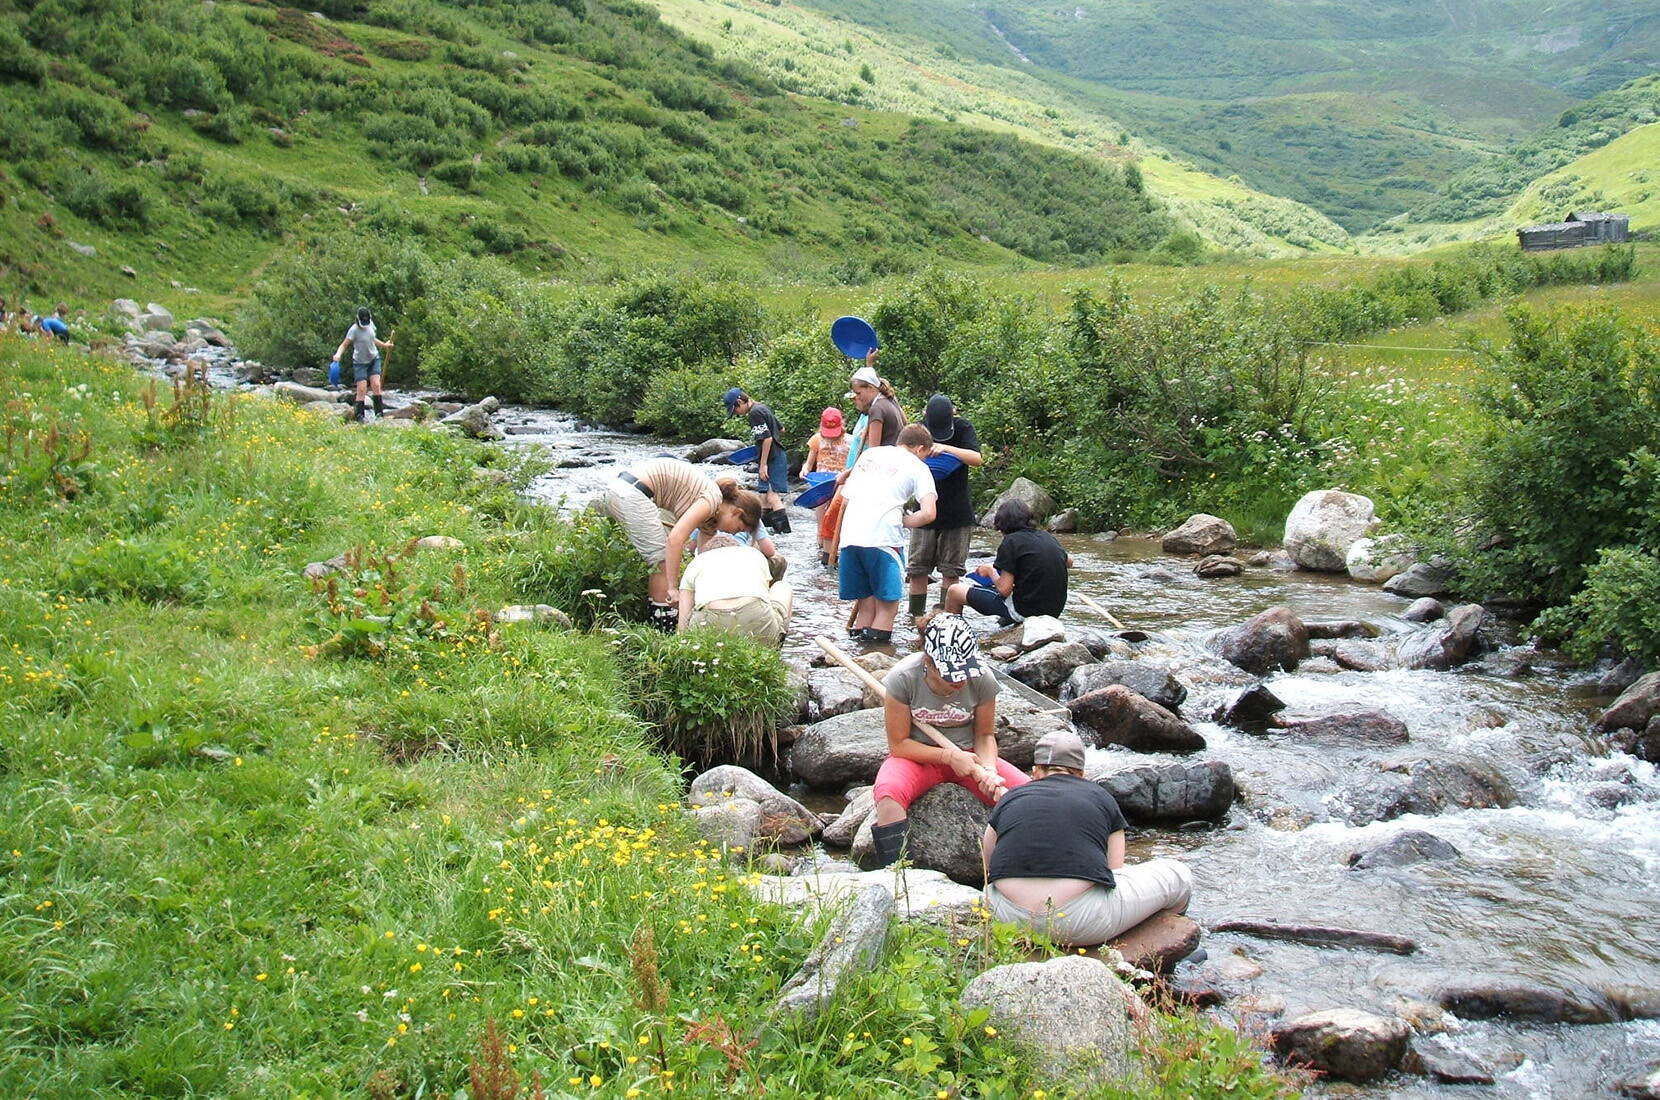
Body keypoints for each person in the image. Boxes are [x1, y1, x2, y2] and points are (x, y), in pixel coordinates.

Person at [982, 729, 1192, 947]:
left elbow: (988, 867)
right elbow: (1114, 872)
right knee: (1179, 875)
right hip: (1082, 923)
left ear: (1035, 772)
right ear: (1082, 774)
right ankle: (1170, 941)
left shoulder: (1011, 798)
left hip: (1005, 919)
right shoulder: (1101, 796)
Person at [867, 612, 1030, 867]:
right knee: (888, 795)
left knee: (1029, 797)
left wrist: (987, 770)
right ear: (929, 662)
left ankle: (1026, 869)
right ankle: (897, 874)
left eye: (964, 672)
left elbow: (985, 734)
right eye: (952, 674)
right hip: (918, 757)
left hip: (971, 756)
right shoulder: (903, 678)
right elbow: (898, 745)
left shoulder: (982, 678)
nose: (960, 680)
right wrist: (948, 757)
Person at [598, 459, 756, 629]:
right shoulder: (713, 498)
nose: (733, 533)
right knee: (661, 561)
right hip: (632, 493)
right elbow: (675, 540)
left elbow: (704, 560)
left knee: (662, 560)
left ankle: (658, 618)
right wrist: (673, 588)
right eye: (739, 528)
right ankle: (662, 627)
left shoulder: (710, 520)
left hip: (623, 488)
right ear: (737, 513)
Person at [833, 423, 938, 645]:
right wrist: (903, 521)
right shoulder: (918, 467)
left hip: (850, 537)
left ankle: (858, 656)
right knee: (887, 606)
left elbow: (846, 497)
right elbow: (929, 513)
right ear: (920, 448)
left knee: (866, 604)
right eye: (926, 455)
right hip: (883, 539)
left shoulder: (870, 454)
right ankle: (876, 658)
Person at [906, 394, 983, 617]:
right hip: (924, 510)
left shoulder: (962, 428)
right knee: (917, 569)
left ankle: (947, 617)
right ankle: (915, 616)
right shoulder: (918, 430)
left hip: (957, 512)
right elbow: (903, 458)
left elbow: (976, 458)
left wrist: (945, 448)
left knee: (951, 570)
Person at [945, 499, 1071, 625]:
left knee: (955, 591)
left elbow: (1004, 590)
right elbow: (1069, 562)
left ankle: (950, 634)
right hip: (1054, 611)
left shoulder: (1010, 542)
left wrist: (990, 570)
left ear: (1002, 524)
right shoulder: (1047, 536)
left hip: (1026, 611)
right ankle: (1005, 625)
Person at [677, 533, 793, 644]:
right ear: (736, 546)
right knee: (782, 586)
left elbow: (683, 622)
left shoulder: (696, 562)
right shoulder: (753, 554)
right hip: (755, 617)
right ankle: (773, 646)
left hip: (708, 622)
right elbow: (765, 596)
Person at [723, 387, 791, 534]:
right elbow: (781, 430)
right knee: (763, 496)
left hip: (773, 458)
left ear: (740, 402)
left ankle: (786, 534)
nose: (736, 414)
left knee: (772, 497)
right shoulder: (763, 408)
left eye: (735, 410)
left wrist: (763, 464)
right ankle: (767, 534)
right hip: (776, 455)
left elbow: (767, 438)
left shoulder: (754, 413)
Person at [802, 407, 850, 564]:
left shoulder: (850, 441)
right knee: (821, 518)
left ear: (842, 424)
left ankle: (836, 548)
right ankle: (821, 547)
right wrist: (804, 470)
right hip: (820, 483)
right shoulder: (817, 439)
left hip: (840, 483)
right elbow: (809, 463)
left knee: (836, 517)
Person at [330, 307, 394, 422]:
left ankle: (379, 415)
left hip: (374, 359)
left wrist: (384, 345)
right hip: (360, 362)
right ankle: (360, 416)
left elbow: (372, 339)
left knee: (376, 385)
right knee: (362, 388)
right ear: (358, 319)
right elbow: (344, 345)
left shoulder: (371, 325)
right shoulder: (353, 330)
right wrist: (338, 354)